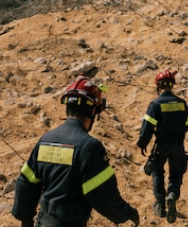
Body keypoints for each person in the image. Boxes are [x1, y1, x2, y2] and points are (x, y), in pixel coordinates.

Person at [12, 75, 140, 227]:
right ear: (93, 110)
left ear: (67, 107)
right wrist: (127, 213)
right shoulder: (90, 148)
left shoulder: (45, 140)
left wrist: (26, 221)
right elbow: (104, 196)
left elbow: (25, 184)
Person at [137, 69, 188, 223]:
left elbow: (147, 127)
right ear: (172, 85)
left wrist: (142, 144)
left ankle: (160, 205)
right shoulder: (182, 104)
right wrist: (177, 131)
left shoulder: (155, 104)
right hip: (178, 146)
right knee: (176, 174)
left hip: (161, 146)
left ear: (158, 86)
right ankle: (172, 194)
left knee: (157, 172)